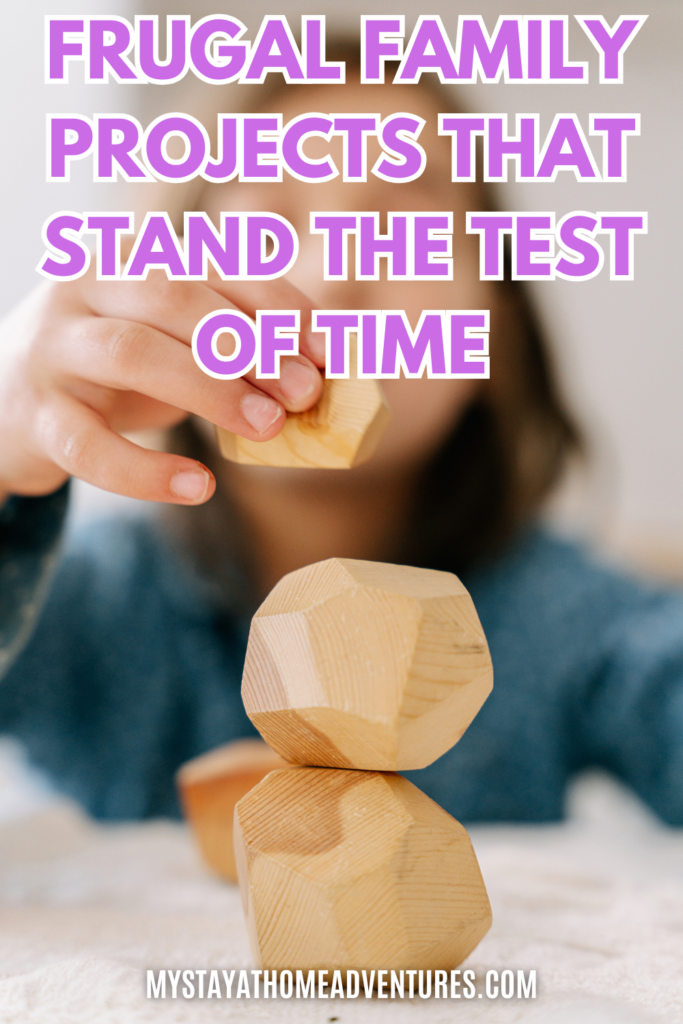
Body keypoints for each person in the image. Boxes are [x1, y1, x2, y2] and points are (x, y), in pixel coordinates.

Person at [0, 60, 681, 826]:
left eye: (398, 232)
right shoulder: (79, 600)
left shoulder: (566, 615)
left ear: (496, 329)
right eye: (270, 229)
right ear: (154, 309)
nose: (332, 278)